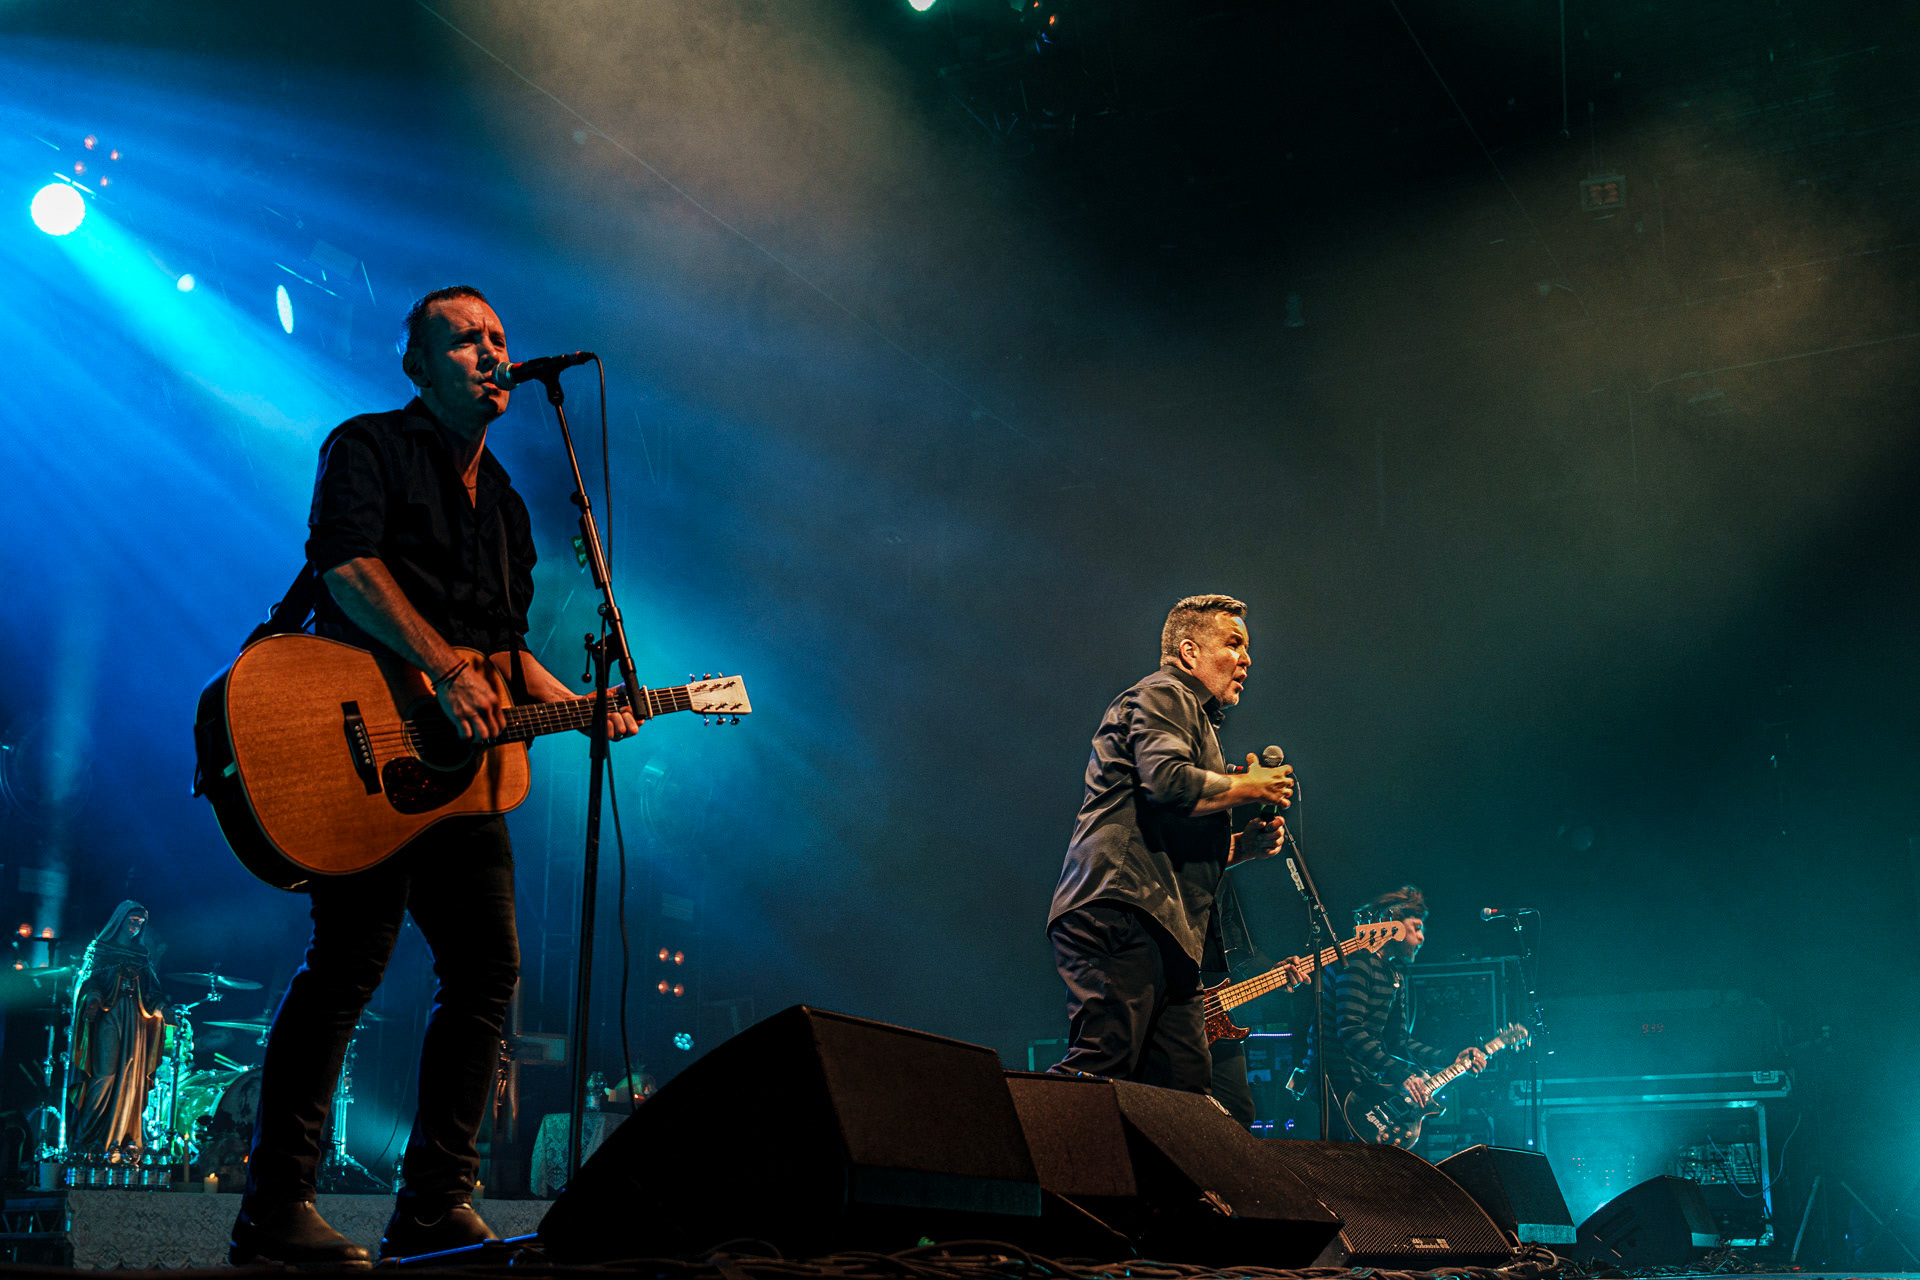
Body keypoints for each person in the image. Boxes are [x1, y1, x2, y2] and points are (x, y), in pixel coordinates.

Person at [230, 287, 641, 1268]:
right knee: (347, 966)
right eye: (466, 339)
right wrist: (444, 669)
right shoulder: (366, 446)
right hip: (360, 749)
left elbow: (503, 656)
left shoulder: (504, 504)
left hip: (457, 783)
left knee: (488, 971)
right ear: (416, 363)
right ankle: (274, 1204)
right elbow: (345, 568)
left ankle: (431, 1202)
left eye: (502, 337)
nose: (494, 352)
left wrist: (590, 701)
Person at [1047, 594, 1294, 1095]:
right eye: (1233, 643)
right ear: (1188, 652)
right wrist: (1250, 787)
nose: (1247, 659)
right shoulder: (1166, 693)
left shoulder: (1196, 721)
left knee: (1186, 1095)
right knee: (1103, 1065)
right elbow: (1167, 782)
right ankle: (1036, 1160)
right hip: (1121, 909)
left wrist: (1239, 847)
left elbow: (1161, 836)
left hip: (1166, 925)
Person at [1308, 884, 1487, 1141]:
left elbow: (1398, 1041)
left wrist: (1450, 1057)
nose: (1422, 937)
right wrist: (1401, 1074)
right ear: (1394, 927)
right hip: (1333, 1080)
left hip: (1362, 1080)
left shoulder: (1394, 975)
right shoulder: (1358, 962)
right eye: (1417, 927)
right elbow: (1349, 1029)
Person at [66, 901, 171, 1155]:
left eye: (140, 923)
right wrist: (92, 997)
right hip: (109, 1018)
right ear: (120, 921)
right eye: (132, 921)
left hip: (135, 1021)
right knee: (105, 1075)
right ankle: (88, 1138)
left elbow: (152, 991)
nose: (135, 927)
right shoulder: (100, 950)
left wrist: (163, 1008)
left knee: (131, 1079)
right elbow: (88, 982)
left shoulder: (142, 955)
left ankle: (123, 1140)